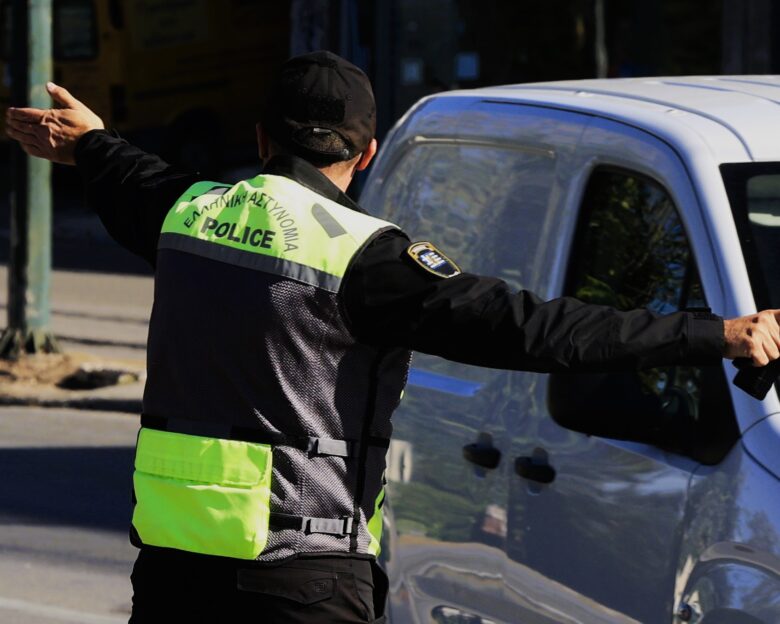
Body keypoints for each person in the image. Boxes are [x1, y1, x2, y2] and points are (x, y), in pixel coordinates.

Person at [5, 51, 780, 623]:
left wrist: (87, 142)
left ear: (261, 137)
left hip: (174, 575)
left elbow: (129, 174)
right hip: (303, 579)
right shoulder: (366, 259)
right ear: (366, 153)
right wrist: (716, 334)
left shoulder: (187, 213)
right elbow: (533, 328)